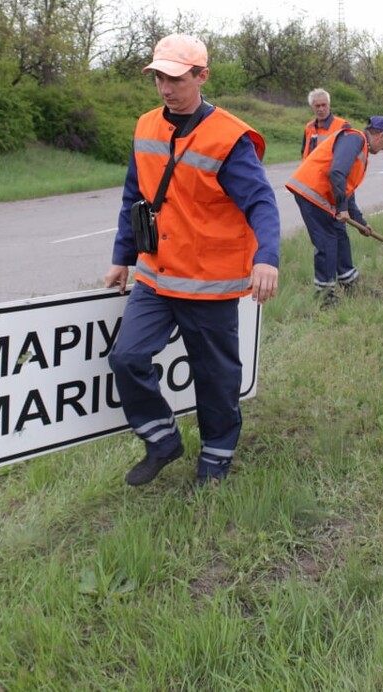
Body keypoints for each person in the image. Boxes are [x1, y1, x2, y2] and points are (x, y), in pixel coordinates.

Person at [104, 33, 281, 488]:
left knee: (216, 378)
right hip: (156, 276)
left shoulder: (229, 138)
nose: (166, 88)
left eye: (177, 79)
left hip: (210, 282)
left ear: (201, 76)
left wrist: (267, 258)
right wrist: (122, 257)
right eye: (160, 78)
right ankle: (162, 440)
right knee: (126, 357)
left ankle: (215, 460)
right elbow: (134, 195)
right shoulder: (146, 126)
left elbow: (261, 202)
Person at [286, 116, 383, 304]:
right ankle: (324, 296)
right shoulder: (355, 139)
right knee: (327, 241)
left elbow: (346, 190)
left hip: (321, 197)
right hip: (312, 193)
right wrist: (342, 208)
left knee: (340, 235)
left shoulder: (359, 147)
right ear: (381, 136)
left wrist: (360, 223)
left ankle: (350, 283)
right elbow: (337, 172)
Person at [300, 88, 350, 159]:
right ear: (312, 107)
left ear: (329, 105)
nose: (321, 109)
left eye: (324, 105)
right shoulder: (309, 127)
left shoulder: (342, 126)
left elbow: (347, 154)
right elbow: (304, 151)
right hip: (311, 169)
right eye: (317, 106)